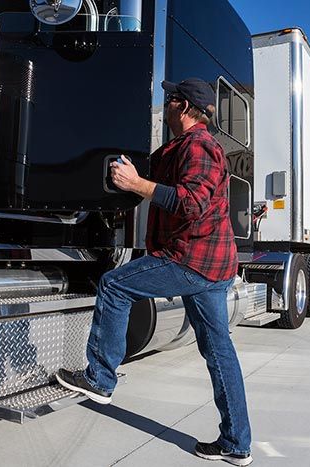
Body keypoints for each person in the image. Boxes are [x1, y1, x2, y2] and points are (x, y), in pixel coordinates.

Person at [56, 78, 253, 466]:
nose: (164, 107)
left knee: (114, 285)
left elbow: (192, 203)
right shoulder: (181, 147)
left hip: (191, 260)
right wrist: (133, 172)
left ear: (181, 106)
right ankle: (236, 444)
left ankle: (99, 379)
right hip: (210, 264)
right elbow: (160, 172)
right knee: (218, 352)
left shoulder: (200, 147)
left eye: (168, 100)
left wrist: (137, 183)